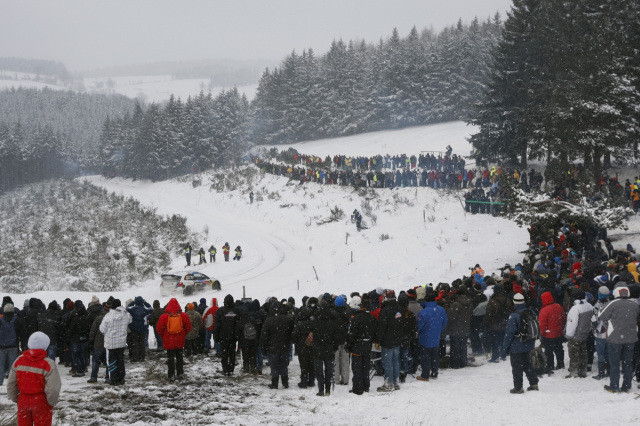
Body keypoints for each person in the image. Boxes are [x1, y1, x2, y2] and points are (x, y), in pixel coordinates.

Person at [6, 332, 61, 426]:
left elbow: (11, 383)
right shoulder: (48, 364)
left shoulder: (19, 360)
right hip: (41, 401)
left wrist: (16, 398)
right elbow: (53, 388)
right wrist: (51, 402)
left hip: (23, 400)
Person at [597, 285, 640, 393]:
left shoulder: (613, 303)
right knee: (628, 363)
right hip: (631, 338)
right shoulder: (635, 304)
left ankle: (614, 386)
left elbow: (601, 316)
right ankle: (627, 386)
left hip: (615, 338)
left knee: (615, 363)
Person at [503, 293, 538, 393]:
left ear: (514, 302)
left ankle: (518, 387)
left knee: (516, 367)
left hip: (517, 346)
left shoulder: (514, 315)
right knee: (527, 364)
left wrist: (505, 348)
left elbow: (509, 334)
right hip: (528, 343)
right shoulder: (531, 311)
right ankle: (534, 383)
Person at [156, 298, 192, 381]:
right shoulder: (184, 315)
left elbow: (159, 329)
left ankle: (171, 374)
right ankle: (180, 373)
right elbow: (188, 326)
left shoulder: (164, 316)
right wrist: (183, 334)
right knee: (180, 357)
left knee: (170, 358)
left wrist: (164, 336)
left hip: (169, 340)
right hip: (180, 340)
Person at [260, 302, 294, 388]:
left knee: (274, 366)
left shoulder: (268, 320)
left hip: (272, 347)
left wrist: (263, 348)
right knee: (284, 365)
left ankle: (274, 384)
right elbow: (291, 333)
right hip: (284, 346)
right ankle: (285, 382)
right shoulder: (287, 319)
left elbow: (264, 336)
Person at [347, 296, 376, 394]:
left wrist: (349, 345)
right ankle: (365, 386)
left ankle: (358, 388)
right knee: (365, 367)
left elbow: (352, 334)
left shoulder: (357, 319)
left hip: (357, 346)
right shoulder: (371, 318)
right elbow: (374, 332)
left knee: (357, 368)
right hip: (367, 345)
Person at [416, 291, 447, 381]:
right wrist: (438, 331)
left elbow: (419, 326)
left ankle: (425, 375)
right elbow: (444, 322)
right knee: (435, 355)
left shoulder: (423, 312)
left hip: (425, 337)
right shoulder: (441, 309)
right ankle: (434, 373)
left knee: (425, 356)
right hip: (436, 336)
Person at [99, 299, 132, 386]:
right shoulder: (126, 315)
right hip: (121, 342)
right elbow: (130, 321)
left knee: (111, 361)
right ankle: (121, 378)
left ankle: (113, 379)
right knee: (120, 360)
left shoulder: (108, 316)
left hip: (111, 342)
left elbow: (102, 329)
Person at [310, 299, 338, 396]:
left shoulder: (315, 321)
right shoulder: (332, 321)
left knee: (319, 371)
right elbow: (335, 337)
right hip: (329, 348)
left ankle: (321, 389)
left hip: (318, 348)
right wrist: (334, 347)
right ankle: (328, 390)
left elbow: (311, 335)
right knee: (329, 370)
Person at [376, 290, 403, 391]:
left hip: (388, 340)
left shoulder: (385, 310)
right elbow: (401, 324)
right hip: (396, 339)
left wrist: (378, 340)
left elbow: (381, 327)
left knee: (388, 363)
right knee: (395, 361)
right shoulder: (399, 309)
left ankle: (389, 383)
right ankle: (395, 382)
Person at [564, 289, 593, 378]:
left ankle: (573, 372)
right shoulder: (589, 306)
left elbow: (572, 323)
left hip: (576, 335)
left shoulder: (576, 308)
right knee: (583, 353)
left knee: (574, 354)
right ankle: (582, 371)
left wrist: (568, 335)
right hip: (585, 333)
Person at [538, 291, 566, 374]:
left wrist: (542, 334)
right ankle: (560, 363)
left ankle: (550, 366)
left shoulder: (544, 310)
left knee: (549, 351)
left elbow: (542, 325)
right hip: (559, 333)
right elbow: (564, 318)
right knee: (559, 349)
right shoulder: (558, 306)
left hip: (549, 335)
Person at [213, 295, 239, 376]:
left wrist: (216, 337)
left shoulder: (220, 310)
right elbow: (238, 324)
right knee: (232, 353)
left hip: (223, 336)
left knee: (224, 353)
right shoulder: (236, 310)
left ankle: (225, 369)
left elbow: (217, 325)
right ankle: (231, 369)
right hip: (233, 336)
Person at [0, 303, 24, 386]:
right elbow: (21, 333)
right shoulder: (17, 320)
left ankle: (0, 382)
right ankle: (12, 383)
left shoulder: (0, 320)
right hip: (13, 346)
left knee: (1, 365)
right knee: (13, 366)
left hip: (1, 347)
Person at [591, 286, 611, 380]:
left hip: (599, 333)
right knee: (608, 352)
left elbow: (594, 320)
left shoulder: (597, 305)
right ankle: (609, 371)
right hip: (609, 332)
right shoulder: (611, 303)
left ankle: (601, 373)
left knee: (600, 353)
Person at [87, 301, 109, 384]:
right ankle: (108, 377)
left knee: (95, 361)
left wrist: (91, 341)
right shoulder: (112, 318)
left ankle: (93, 377)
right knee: (108, 361)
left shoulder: (98, 318)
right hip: (109, 343)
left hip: (98, 343)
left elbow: (93, 331)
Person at [126, 297, 153, 362]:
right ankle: (142, 357)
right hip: (142, 328)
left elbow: (127, 307)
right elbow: (151, 308)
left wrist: (133, 302)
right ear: (141, 302)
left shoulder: (132, 309)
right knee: (142, 343)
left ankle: (135, 357)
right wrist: (145, 303)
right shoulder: (144, 310)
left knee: (135, 343)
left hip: (134, 328)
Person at [68, 300, 90, 377]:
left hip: (76, 338)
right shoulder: (87, 314)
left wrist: (69, 336)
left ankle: (79, 370)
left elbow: (71, 328)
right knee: (83, 354)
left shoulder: (75, 315)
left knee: (76, 354)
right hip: (85, 338)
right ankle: (83, 368)